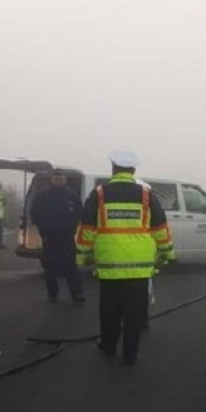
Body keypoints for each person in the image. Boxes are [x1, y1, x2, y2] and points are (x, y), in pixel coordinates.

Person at [76, 151, 174, 365]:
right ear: (133, 171)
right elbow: (160, 227)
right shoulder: (147, 195)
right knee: (134, 313)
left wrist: (83, 257)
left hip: (109, 265)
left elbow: (87, 229)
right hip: (140, 267)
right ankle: (130, 354)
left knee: (109, 310)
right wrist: (166, 252)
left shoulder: (99, 194)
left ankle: (109, 345)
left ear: (113, 169)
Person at [31, 171, 84, 304]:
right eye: (56, 178)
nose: (58, 181)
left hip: (67, 236)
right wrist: (43, 230)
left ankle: (76, 295)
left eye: (60, 178)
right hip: (50, 236)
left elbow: (79, 213)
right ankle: (52, 294)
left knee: (71, 266)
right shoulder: (43, 196)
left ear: (65, 180)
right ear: (52, 180)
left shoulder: (72, 195)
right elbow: (35, 213)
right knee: (50, 267)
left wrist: (73, 228)